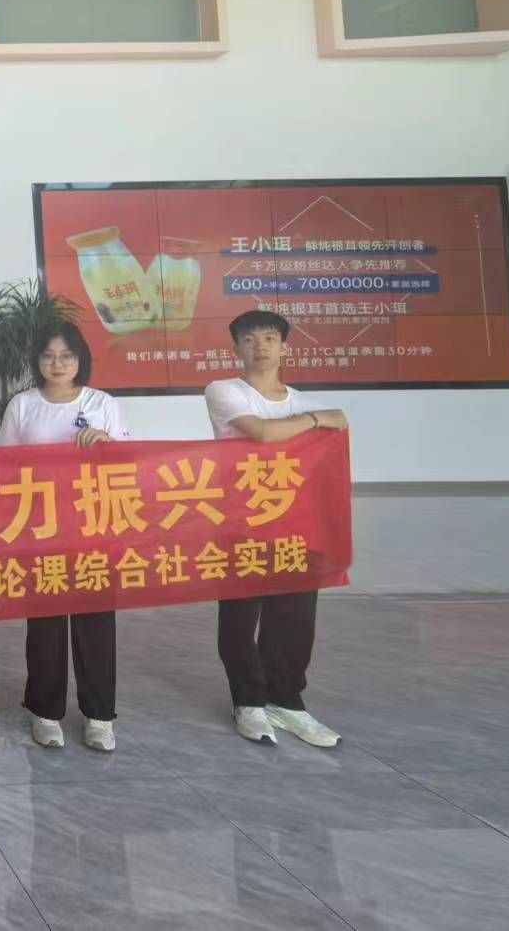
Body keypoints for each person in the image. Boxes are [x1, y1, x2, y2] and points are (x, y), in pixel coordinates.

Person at [206, 309, 348, 748]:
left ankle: (287, 700)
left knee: (295, 617)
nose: (260, 347)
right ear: (236, 348)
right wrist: (317, 420)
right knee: (241, 615)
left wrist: (318, 420)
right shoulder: (225, 391)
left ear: (285, 346)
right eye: (249, 339)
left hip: (296, 523)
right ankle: (248, 701)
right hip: (241, 521)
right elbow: (262, 433)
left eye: (269, 338)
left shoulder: (300, 400)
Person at [0, 321, 128, 753]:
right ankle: (45, 711)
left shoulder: (101, 402)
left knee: (96, 623)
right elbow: (2, 468)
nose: (57, 364)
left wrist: (106, 442)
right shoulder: (23, 405)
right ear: (37, 361)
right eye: (49, 356)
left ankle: (99, 716)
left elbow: (127, 460)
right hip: (40, 528)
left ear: (80, 360)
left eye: (66, 356)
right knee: (46, 625)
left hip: (93, 526)